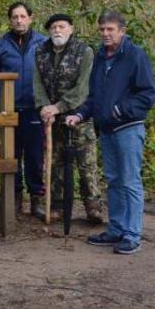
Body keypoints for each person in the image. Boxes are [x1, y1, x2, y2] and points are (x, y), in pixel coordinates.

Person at [67, 11, 155, 255]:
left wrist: (120, 110)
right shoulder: (99, 58)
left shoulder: (134, 56)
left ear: (122, 31)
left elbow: (148, 94)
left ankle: (132, 234)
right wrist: (81, 114)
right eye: (102, 30)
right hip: (106, 130)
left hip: (128, 129)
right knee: (114, 181)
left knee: (130, 182)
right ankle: (116, 229)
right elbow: (94, 97)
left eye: (110, 30)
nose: (105, 34)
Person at [34, 13, 103, 223]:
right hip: (52, 120)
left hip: (79, 116)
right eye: (53, 27)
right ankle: (56, 207)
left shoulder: (84, 51)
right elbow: (37, 83)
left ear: (71, 29)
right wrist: (45, 107)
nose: (57, 30)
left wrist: (59, 106)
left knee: (86, 165)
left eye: (62, 26)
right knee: (56, 165)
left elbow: (84, 87)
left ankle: (93, 208)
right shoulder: (41, 51)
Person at [0, 2, 47, 218]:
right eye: (15, 17)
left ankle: (36, 200)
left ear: (31, 18)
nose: (19, 20)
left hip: (34, 109)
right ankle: (13, 200)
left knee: (34, 157)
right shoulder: (1, 46)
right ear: (10, 20)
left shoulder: (43, 43)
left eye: (23, 16)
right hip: (10, 110)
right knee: (12, 157)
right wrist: (3, 101)